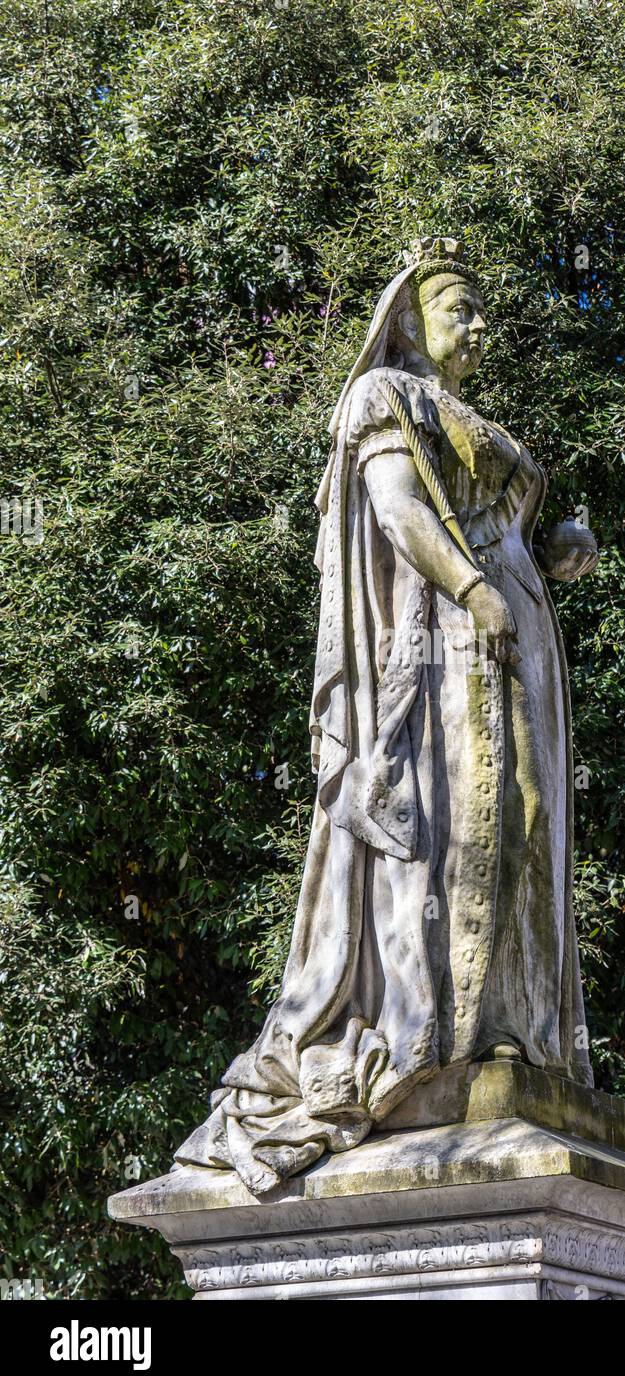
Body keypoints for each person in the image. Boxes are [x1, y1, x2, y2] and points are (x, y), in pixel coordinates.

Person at [174, 236, 599, 1195]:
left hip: (516, 637)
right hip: (448, 641)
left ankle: (519, 1037)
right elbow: (398, 506)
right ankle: (445, 1034)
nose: (480, 327)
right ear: (414, 318)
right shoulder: (382, 397)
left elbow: (498, 523)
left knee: (531, 823)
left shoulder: (468, 417)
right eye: (463, 310)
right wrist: (468, 586)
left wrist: (549, 549)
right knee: (468, 824)